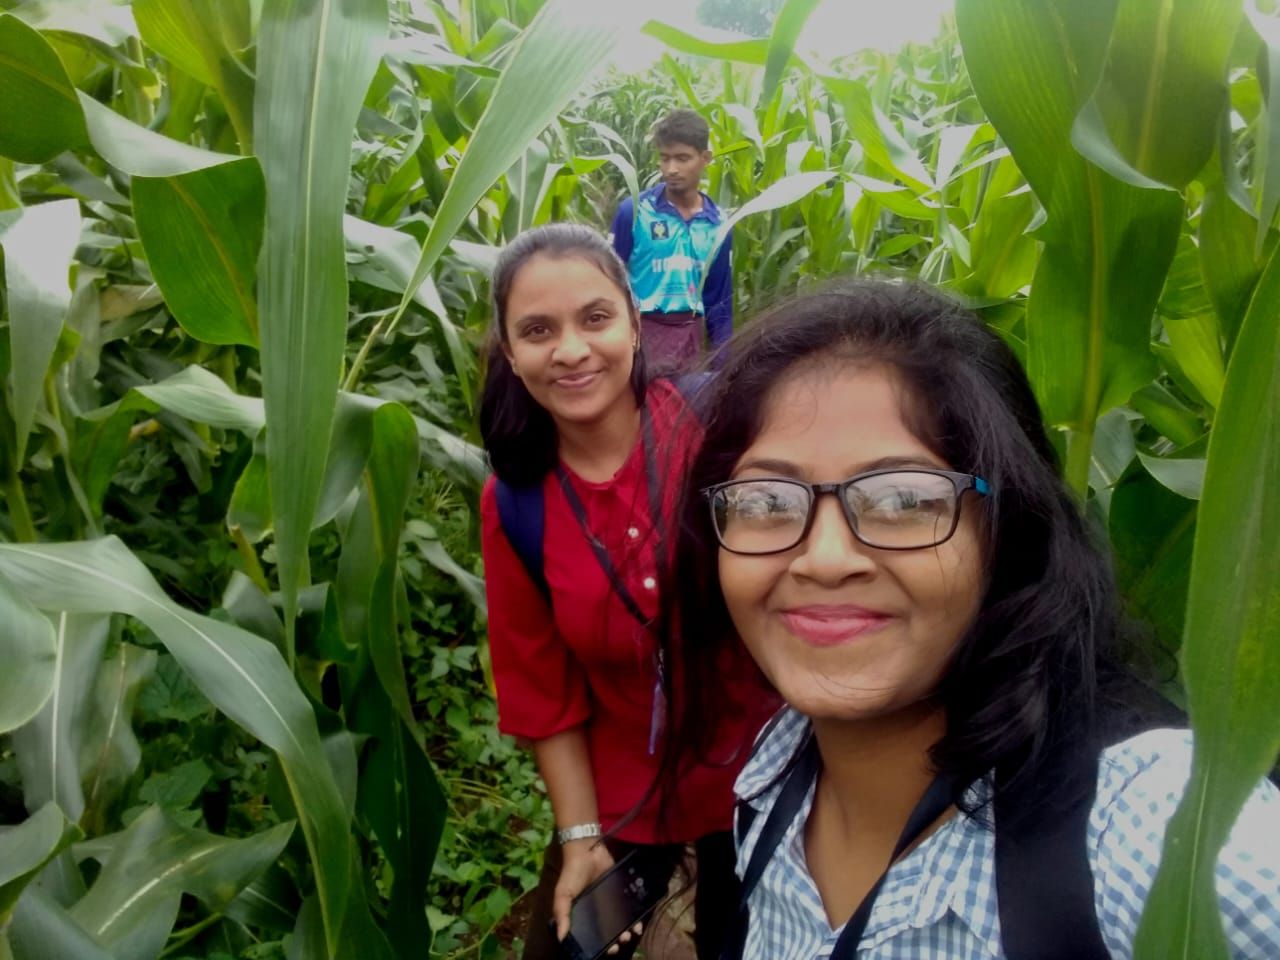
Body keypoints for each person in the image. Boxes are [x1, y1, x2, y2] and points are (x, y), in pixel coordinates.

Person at [658, 279, 1280, 959]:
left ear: (1006, 529)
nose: (825, 559)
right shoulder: (774, 771)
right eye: (767, 500)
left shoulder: (1168, 842)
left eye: (902, 499)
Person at [477, 223, 767, 959]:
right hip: (624, 788)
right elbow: (543, 690)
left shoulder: (720, 436)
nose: (571, 350)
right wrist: (579, 841)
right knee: (572, 946)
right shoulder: (516, 502)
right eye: (538, 331)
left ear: (635, 328)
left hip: (764, 774)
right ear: (511, 354)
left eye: (595, 318)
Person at [610, 108, 733, 372]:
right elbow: (611, 285)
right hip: (642, 336)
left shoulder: (719, 224)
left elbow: (719, 302)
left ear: (705, 158)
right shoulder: (634, 212)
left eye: (682, 158)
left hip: (692, 337)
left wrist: (723, 367)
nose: (671, 169)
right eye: (664, 159)